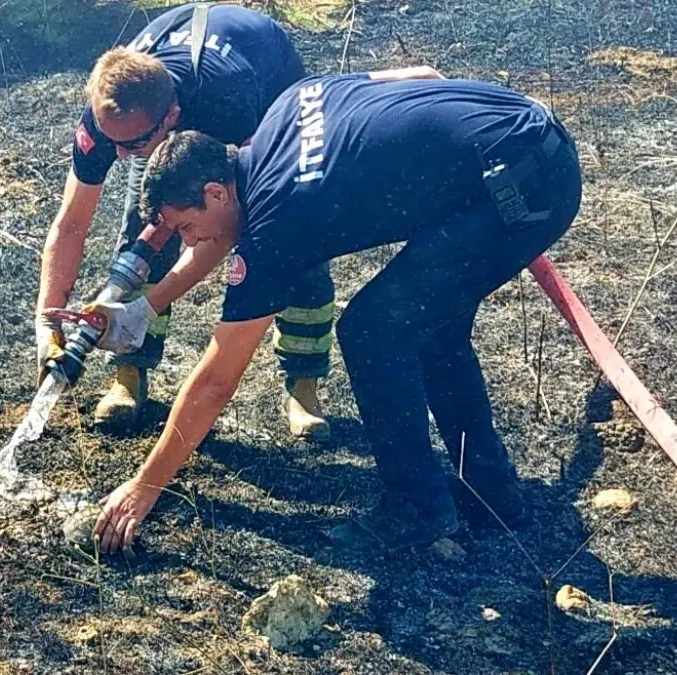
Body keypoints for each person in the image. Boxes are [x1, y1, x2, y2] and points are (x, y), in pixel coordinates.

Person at [87, 69, 585, 554]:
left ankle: (417, 507)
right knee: (429, 326)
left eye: (188, 228)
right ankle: (490, 493)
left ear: (216, 193)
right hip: (527, 134)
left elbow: (218, 380)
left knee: (374, 331)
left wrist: (144, 486)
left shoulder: (274, 223)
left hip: (523, 188)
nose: (194, 243)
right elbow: (420, 75)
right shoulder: (287, 107)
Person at [34, 2, 336, 440]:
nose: (119, 155)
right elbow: (71, 224)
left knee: (291, 229)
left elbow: (225, 227)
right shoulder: (113, 119)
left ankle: (303, 383)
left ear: (171, 117)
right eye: (112, 143)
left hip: (268, 79)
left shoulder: (228, 99)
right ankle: (129, 373)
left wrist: (144, 308)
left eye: (132, 144)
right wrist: (47, 320)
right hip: (179, 90)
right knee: (141, 224)